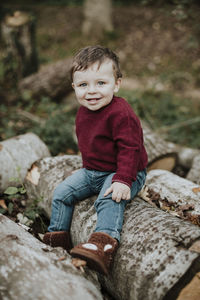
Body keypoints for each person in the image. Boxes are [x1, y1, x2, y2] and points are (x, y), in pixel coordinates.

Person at [43, 45, 148, 275]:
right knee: (62, 194)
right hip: (93, 171)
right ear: (74, 87)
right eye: (83, 85)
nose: (91, 91)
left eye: (101, 83)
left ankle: (103, 244)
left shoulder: (121, 113)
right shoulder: (84, 111)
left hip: (126, 171)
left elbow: (131, 148)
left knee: (108, 198)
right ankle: (57, 241)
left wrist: (123, 180)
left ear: (117, 83)